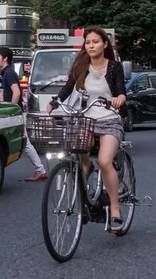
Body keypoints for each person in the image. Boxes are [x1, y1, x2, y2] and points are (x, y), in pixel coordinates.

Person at [46, 26, 127, 232]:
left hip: (109, 118)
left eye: (95, 42)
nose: (91, 46)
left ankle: (115, 210)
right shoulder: (81, 64)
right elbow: (68, 87)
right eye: (88, 42)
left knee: (104, 160)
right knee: (77, 151)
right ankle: (86, 170)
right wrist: (55, 101)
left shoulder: (114, 67)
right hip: (86, 118)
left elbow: (121, 91)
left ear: (105, 44)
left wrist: (119, 99)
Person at [0, 46, 47, 182]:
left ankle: (40, 170)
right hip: (16, 113)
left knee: (25, 143)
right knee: (25, 143)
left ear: (5, 58)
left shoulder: (9, 73)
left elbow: (16, 92)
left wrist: (11, 110)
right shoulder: (7, 72)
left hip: (15, 114)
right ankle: (40, 170)